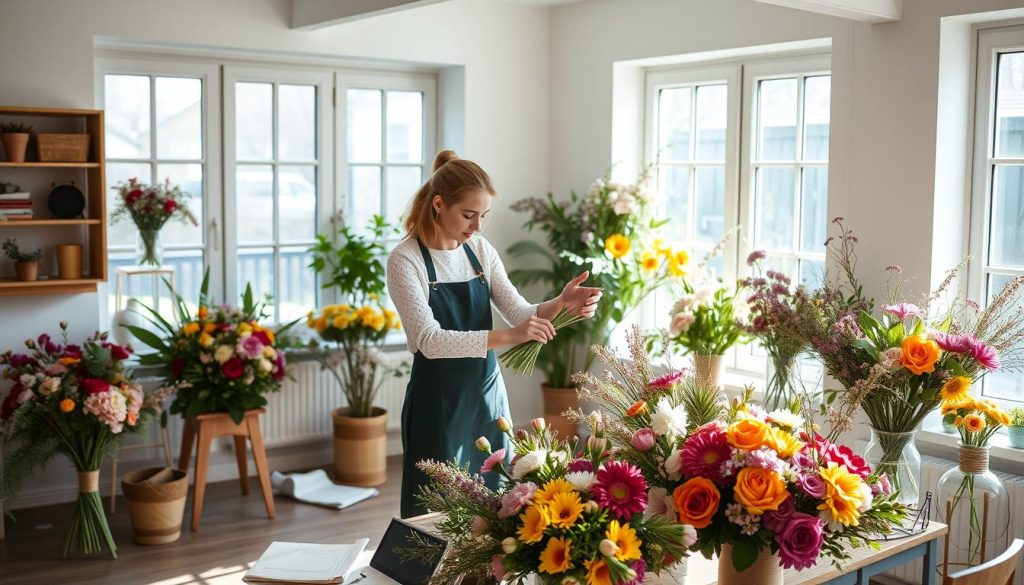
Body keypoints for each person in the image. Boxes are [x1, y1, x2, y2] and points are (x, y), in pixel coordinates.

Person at [387, 149, 602, 518]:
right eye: (468, 215)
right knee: (436, 513)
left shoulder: (479, 250)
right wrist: (511, 336)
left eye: (483, 215)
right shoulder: (405, 260)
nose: (477, 226)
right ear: (438, 204)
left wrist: (559, 303)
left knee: (493, 506)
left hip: (487, 397)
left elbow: (519, 311)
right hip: (437, 402)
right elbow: (430, 340)